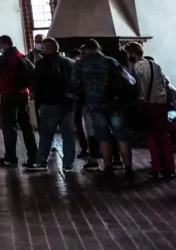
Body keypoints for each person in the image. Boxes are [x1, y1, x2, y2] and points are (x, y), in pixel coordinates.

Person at [72, 39, 134, 178]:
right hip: (115, 104)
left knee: (103, 137)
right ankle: (128, 168)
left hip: (95, 106)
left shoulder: (80, 65)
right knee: (121, 136)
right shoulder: (111, 61)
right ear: (98, 48)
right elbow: (130, 80)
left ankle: (108, 168)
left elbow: (74, 87)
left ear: (85, 50)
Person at [24, 38, 76, 172]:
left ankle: (41, 162)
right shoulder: (70, 62)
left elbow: (37, 83)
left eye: (42, 48)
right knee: (68, 135)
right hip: (69, 104)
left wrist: (36, 97)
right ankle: (68, 164)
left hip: (49, 104)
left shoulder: (42, 64)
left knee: (46, 134)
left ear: (47, 49)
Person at [125, 42, 174, 179]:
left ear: (133, 54)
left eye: (128, 54)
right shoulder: (155, 65)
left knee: (152, 138)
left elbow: (140, 89)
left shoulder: (137, 66)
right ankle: (169, 167)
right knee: (164, 137)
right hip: (162, 104)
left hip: (149, 105)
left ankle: (156, 167)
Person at [0, 35, 38, 168]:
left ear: (5, 44)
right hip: (23, 94)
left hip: (9, 95)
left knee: (8, 126)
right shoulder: (21, 55)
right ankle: (33, 155)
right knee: (26, 126)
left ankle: (11, 157)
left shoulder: (6, 58)